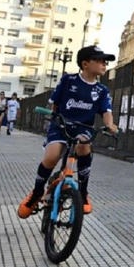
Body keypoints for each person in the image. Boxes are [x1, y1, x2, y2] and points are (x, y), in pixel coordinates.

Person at [18, 45, 118, 219]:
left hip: (83, 129)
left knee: (84, 146)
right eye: (100, 60)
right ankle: (37, 192)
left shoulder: (102, 90)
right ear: (85, 64)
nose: (104, 64)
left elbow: (106, 111)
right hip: (61, 125)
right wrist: (53, 116)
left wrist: (110, 125)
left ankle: (83, 192)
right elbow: (54, 103)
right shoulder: (68, 80)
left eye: (106, 61)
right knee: (51, 157)